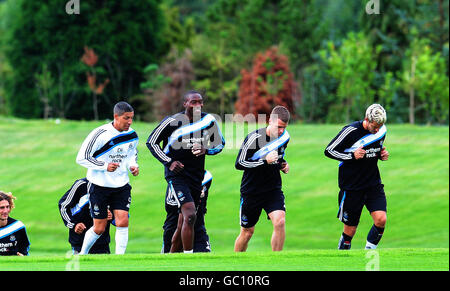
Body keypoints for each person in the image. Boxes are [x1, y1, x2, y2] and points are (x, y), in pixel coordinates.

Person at [147, 90, 225, 253]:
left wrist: (206, 149)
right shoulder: (172, 122)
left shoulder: (208, 121)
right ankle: (189, 258)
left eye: (200, 102)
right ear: (185, 104)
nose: (198, 105)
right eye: (193, 102)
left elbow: (219, 144)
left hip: (197, 177)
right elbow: (152, 142)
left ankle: (172, 256)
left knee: (184, 220)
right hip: (177, 176)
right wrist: (169, 162)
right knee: (190, 215)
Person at [76, 101, 139, 255]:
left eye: (131, 118)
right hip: (99, 185)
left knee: (123, 221)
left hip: (121, 184)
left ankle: (119, 259)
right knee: (99, 227)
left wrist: (133, 166)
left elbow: (132, 154)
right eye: (126, 118)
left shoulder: (132, 134)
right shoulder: (99, 134)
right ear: (116, 116)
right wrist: (105, 166)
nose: (129, 122)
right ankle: (82, 255)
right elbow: (81, 158)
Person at [324, 104, 389, 250]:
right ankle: (342, 261)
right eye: (375, 126)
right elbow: (329, 151)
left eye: (380, 125)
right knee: (350, 230)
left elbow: (375, 148)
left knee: (381, 220)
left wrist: (381, 154)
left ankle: (368, 254)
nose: (378, 129)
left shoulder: (381, 131)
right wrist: (351, 156)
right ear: (367, 119)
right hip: (352, 187)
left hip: (373, 184)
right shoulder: (350, 131)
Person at [234, 105, 291, 252]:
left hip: (272, 190)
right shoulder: (253, 138)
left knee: (280, 222)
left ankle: (276, 263)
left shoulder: (284, 138)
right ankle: (235, 264)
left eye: (283, 127)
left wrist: (283, 165)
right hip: (251, 191)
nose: (281, 131)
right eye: (278, 126)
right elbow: (239, 163)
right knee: (247, 232)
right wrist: (264, 161)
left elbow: (278, 158)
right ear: (270, 121)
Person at [59, 178, 114, 254]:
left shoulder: (113, 186)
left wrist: (112, 216)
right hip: (79, 240)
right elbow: (63, 206)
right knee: (81, 264)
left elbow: (120, 215)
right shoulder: (81, 184)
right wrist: (74, 225)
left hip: (102, 242)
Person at [162, 170, 213, 253]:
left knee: (204, 259)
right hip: (173, 230)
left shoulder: (207, 177)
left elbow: (202, 206)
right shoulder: (176, 183)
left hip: (198, 230)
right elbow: (180, 222)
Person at [0, 191, 30, 256]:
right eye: (2, 207)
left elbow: (25, 247)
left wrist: (23, 255)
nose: (5, 211)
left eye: (7, 207)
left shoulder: (18, 226)